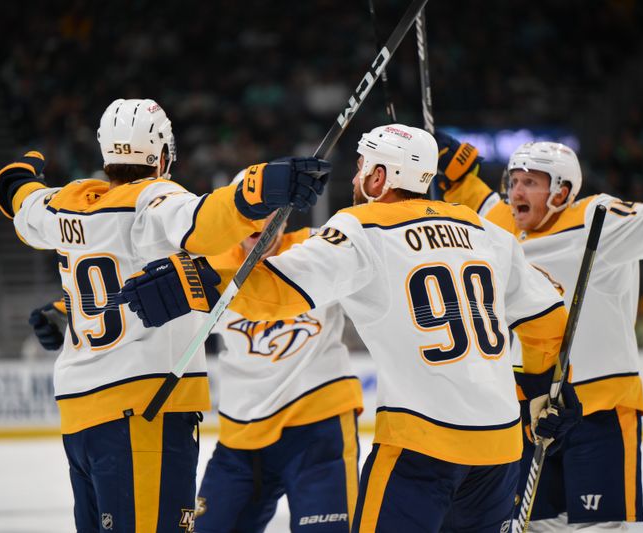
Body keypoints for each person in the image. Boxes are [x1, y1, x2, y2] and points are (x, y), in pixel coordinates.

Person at [119, 124, 582, 532]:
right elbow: (547, 319)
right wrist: (543, 382)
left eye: (363, 166)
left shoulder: (363, 229)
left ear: (380, 177)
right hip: (499, 446)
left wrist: (197, 281)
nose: (357, 175)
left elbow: (277, 291)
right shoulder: (487, 231)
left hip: (420, 445)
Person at [0, 98, 329, 532]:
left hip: (80, 417)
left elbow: (17, 196)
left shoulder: (66, 204)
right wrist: (261, 189)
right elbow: (202, 221)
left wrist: (22, 173)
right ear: (164, 154)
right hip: (144, 411)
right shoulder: (154, 198)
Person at [432, 129, 643, 531]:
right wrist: (452, 170)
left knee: (596, 528)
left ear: (562, 191)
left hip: (599, 406)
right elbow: (479, 201)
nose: (516, 192)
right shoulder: (501, 226)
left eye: (530, 182)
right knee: (533, 524)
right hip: (529, 408)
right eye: (513, 181)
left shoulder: (597, 220)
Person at [195, 212, 363, 533]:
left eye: (268, 213)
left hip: (318, 428)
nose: (259, 224)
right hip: (239, 438)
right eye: (247, 214)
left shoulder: (319, 246)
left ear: (285, 217)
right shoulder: (209, 267)